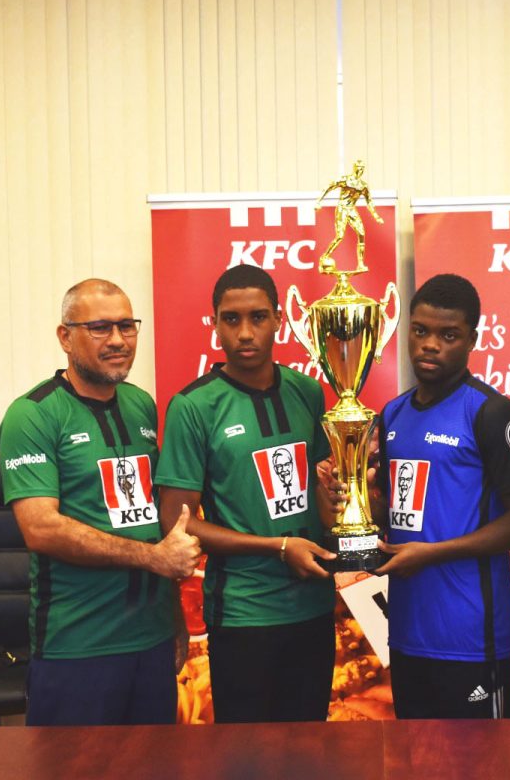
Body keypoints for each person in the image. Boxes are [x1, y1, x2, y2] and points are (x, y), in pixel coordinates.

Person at [323, 274, 510, 719]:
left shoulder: (492, 413)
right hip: (406, 632)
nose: (430, 345)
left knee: (481, 767)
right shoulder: (392, 414)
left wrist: (431, 554)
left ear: (472, 339)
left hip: (472, 637)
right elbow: (395, 515)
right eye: (420, 331)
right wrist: (352, 496)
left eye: (448, 335)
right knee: (415, 760)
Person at [0, 278, 201, 726]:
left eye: (127, 327)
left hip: (151, 641)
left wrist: (175, 621)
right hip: (77, 646)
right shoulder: (32, 415)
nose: (117, 341)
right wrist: (153, 558)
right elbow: (40, 528)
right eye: (100, 328)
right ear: (65, 336)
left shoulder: (142, 406)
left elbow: (152, 522)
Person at [155, 264, 337, 723]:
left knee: (310, 752)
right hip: (243, 613)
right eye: (231, 319)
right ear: (214, 324)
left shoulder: (308, 392)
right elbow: (176, 523)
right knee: (248, 758)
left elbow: (320, 494)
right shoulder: (193, 406)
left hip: (312, 605)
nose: (245, 332)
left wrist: (347, 499)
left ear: (278, 319)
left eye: (258, 317)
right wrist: (277, 547)